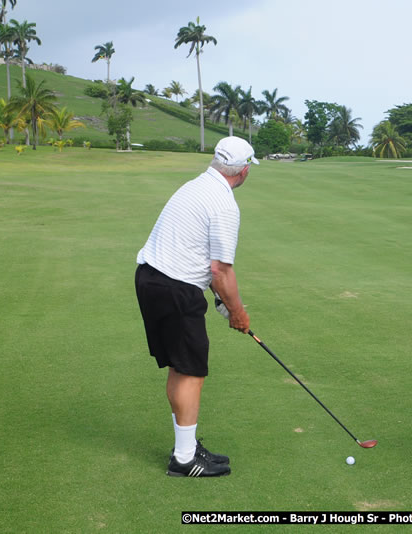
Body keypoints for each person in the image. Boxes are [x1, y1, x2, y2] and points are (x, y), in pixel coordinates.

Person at [135, 136, 258, 477]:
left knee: (181, 366)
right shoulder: (223, 204)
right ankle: (185, 460)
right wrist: (237, 312)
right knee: (190, 370)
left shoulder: (195, 185)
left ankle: (185, 449)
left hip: (150, 278)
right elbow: (221, 270)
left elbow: (203, 259)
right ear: (244, 171)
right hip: (175, 287)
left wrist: (220, 300)